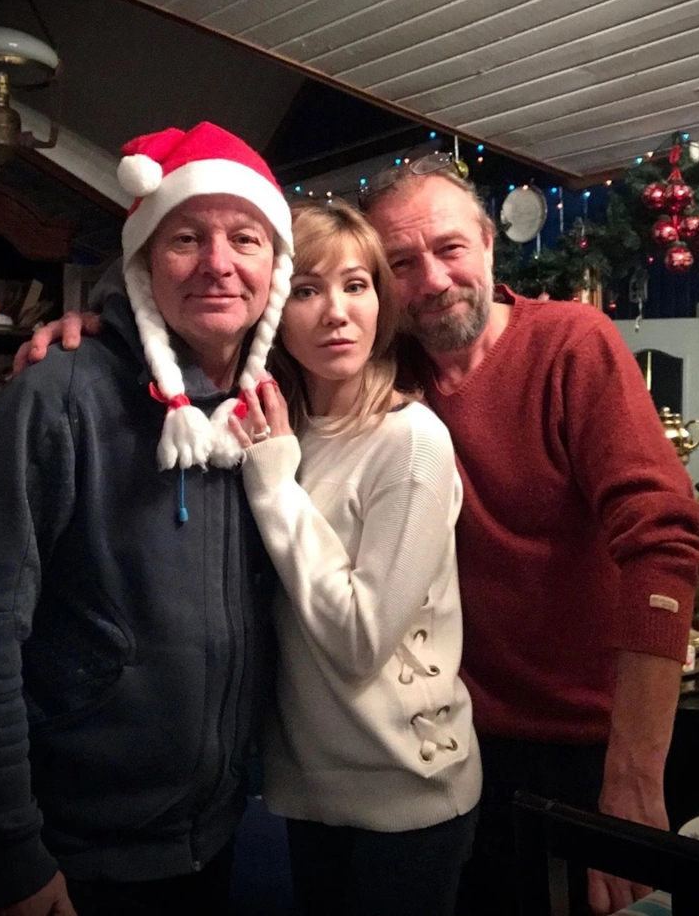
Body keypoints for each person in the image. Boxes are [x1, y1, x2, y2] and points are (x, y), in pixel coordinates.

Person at [15, 156, 699, 916]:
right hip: (426, 736)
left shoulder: (565, 347)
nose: (433, 281)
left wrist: (635, 773)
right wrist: (105, 331)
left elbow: (663, 540)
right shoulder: (361, 370)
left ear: (488, 243)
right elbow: (224, 310)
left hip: (577, 743)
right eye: (402, 264)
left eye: (450, 248)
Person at [0, 121, 295, 915]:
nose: (218, 263)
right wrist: (7, 849)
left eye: (245, 239)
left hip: (214, 833)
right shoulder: (57, 396)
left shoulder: (274, 406)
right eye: (186, 237)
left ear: (275, 269)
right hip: (72, 851)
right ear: (145, 262)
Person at [228, 198, 480, 916]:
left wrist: (274, 485)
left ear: (381, 304)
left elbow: (359, 639)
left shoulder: (411, 441)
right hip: (306, 786)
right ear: (275, 310)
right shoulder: (282, 430)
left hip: (409, 795)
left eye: (357, 285)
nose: (336, 312)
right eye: (307, 289)